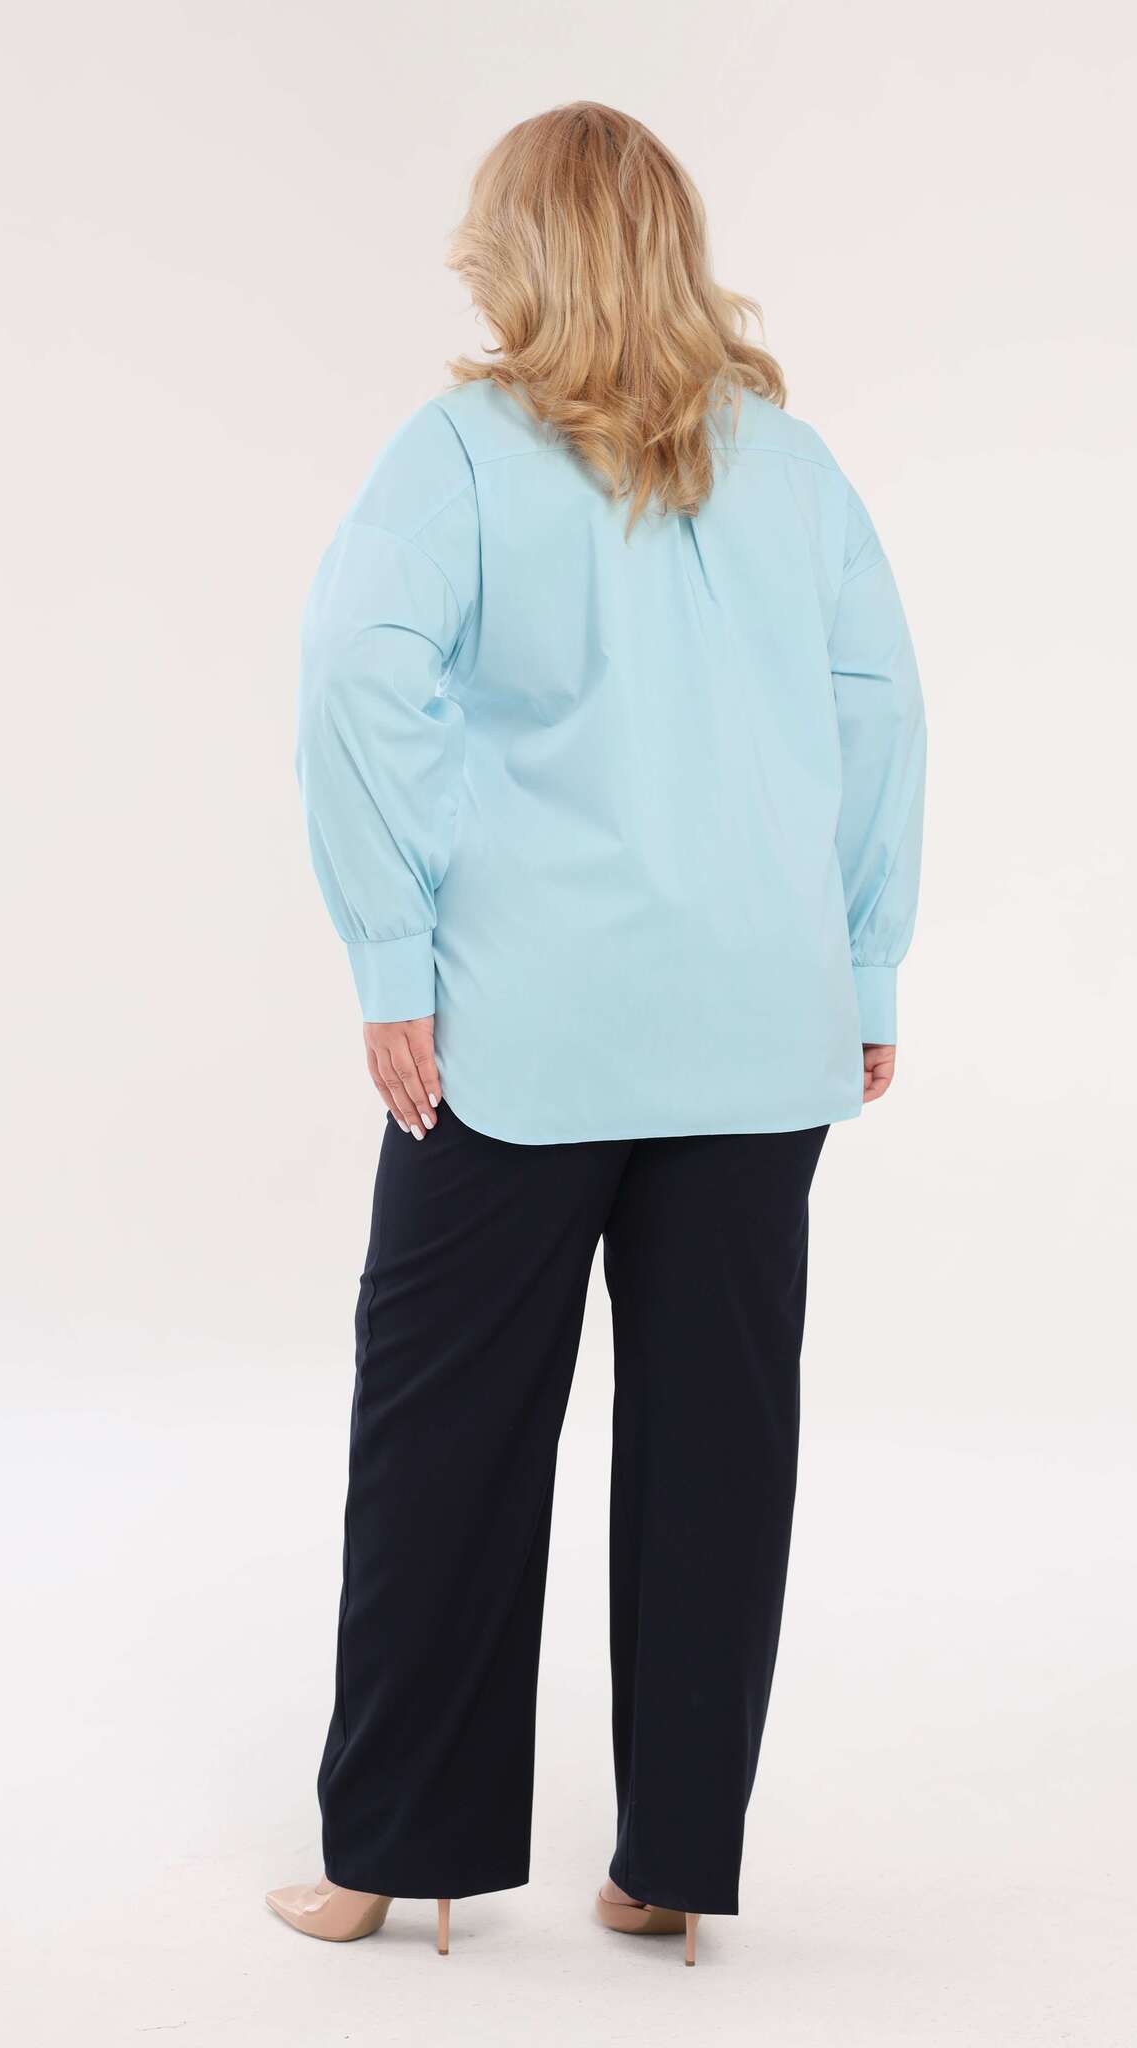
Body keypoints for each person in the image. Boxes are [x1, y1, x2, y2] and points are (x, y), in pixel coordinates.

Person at [266, 100, 925, 1968]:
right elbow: (878, 709)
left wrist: (392, 948)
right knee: (721, 1450)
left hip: (520, 1033)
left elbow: (353, 671)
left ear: (512, 252)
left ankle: (395, 1857)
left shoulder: (460, 453)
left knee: (444, 1440)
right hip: (758, 1028)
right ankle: (671, 1868)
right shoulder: (792, 465)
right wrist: (865, 965)